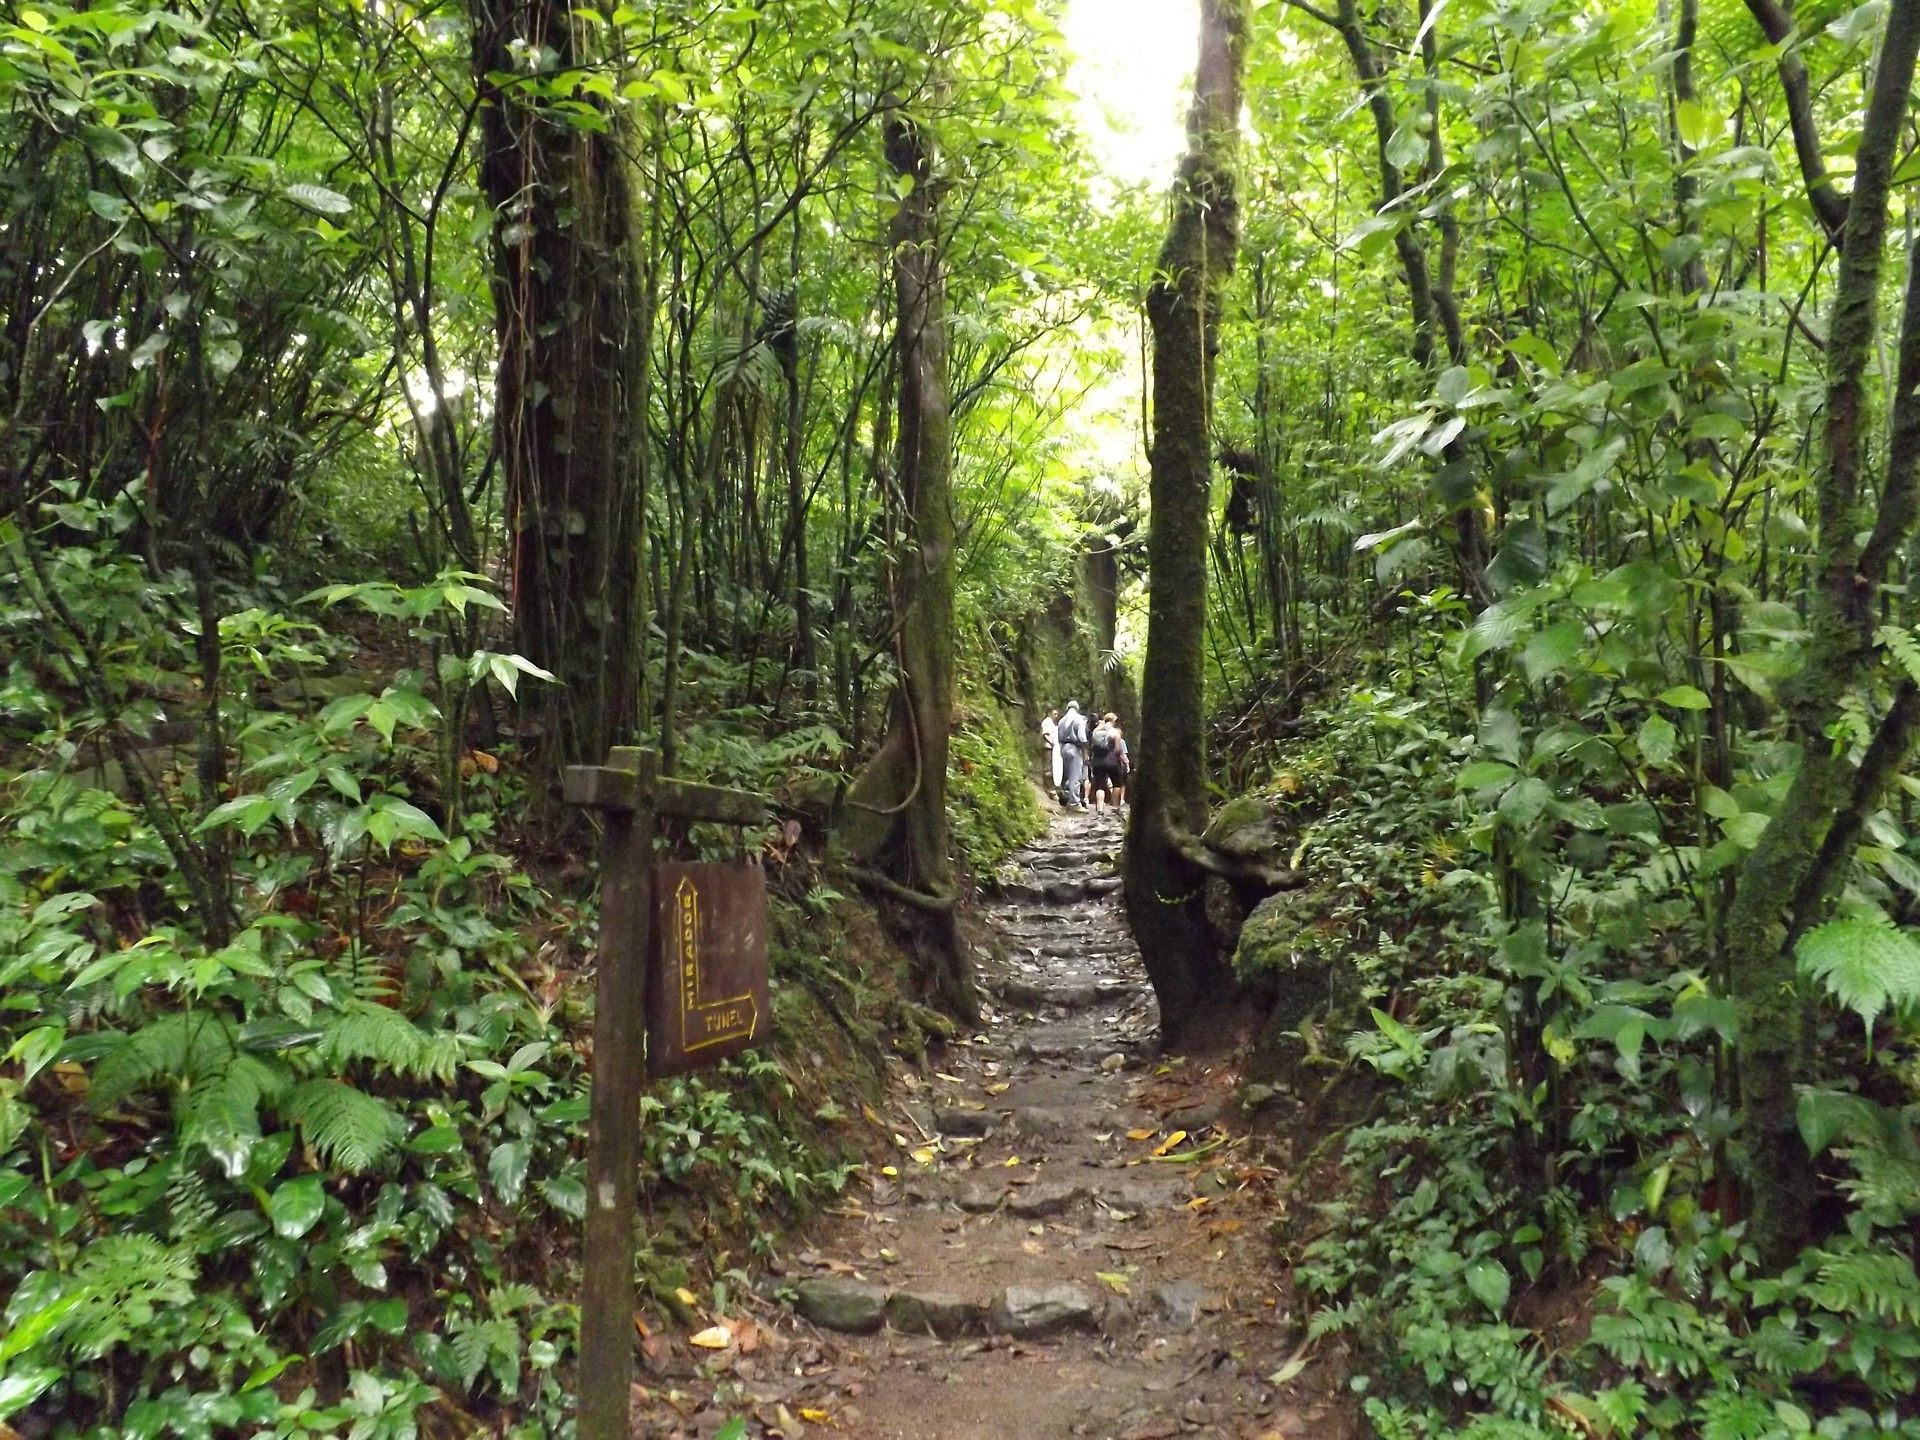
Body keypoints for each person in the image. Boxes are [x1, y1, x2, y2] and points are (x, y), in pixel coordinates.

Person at [1055, 700, 1088, 809]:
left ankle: (1065, 797)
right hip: (1074, 747)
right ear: (1077, 708)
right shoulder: (1079, 719)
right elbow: (1082, 737)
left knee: (1066, 775)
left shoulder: (1061, 720)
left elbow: (1058, 736)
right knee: (1075, 776)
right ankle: (1074, 803)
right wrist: (1085, 752)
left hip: (1063, 747)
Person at [1088, 712, 1124, 812]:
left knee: (1100, 785)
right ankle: (1115, 807)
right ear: (1114, 721)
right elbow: (1118, 749)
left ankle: (1100, 809)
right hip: (1112, 760)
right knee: (1117, 783)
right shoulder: (1115, 732)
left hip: (1098, 761)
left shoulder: (1096, 731)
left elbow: (1091, 746)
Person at [1040, 708, 1062, 791]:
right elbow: (1046, 734)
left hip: (1050, 747)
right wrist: (1052, 742)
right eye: (1054, 714)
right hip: (1047, 747)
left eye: (1057, 714)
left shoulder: (1051, 723)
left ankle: (1048, 786)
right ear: (1049, 714)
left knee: (1050, 767)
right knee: (1047, 767)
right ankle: (1048, 788)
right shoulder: (1047, 722)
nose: (1056, 716)